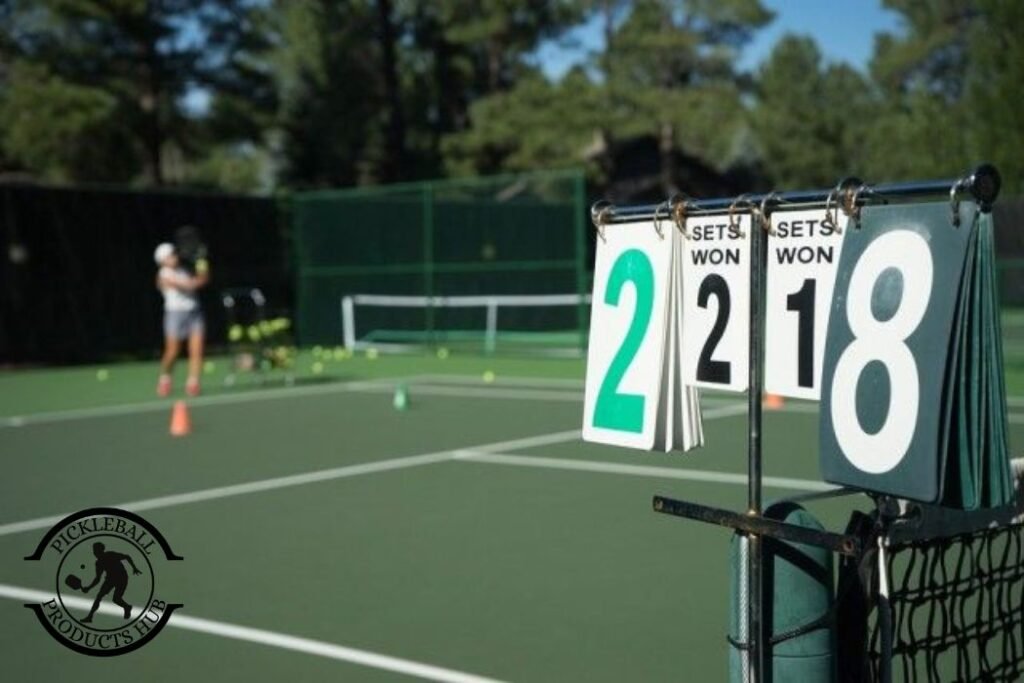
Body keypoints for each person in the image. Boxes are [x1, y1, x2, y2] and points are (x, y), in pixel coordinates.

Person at [154, 242, 208, 396]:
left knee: (196, 351)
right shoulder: (163, 274)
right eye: (170, 255)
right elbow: (188, 286)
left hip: (195, 313)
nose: (174, 257)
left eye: (174, 254)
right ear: (162, 260)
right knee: (172, 351)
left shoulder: (184, 270)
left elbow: (202, 281)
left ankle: (193, 383)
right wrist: (196, 280)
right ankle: (165, 378)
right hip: (175, 315)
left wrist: (202, 265)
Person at [80, 541, 142, 622]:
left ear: (101, 550)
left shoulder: (111, 555)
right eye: (94, 551)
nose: (95, 553)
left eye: (96, 551)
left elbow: (127, 556)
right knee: (99, 597)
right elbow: (97, 578)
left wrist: (134, 568)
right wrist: (89, 588)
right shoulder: (98, 563)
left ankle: (127, 607)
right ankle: (90, 617)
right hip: (110, 579)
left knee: (116, 599)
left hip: (122, 578)